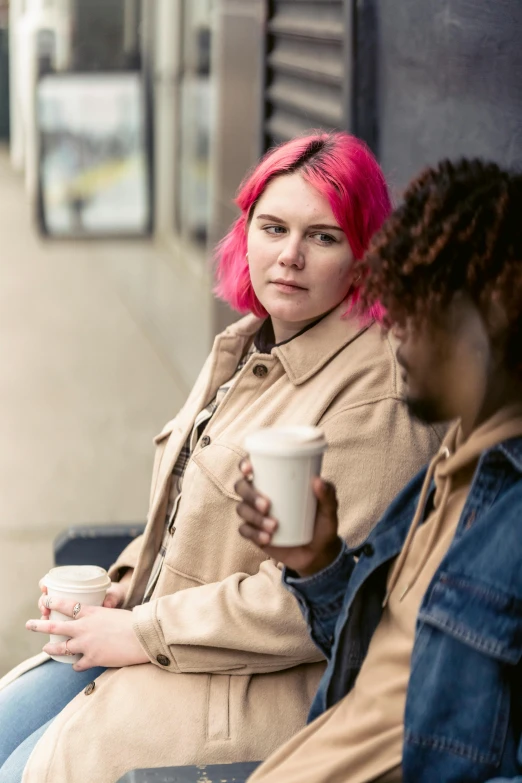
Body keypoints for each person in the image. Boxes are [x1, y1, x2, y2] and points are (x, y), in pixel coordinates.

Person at [0, 132, 442, 783]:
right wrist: (121, 588)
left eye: (323, 236)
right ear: (246, 235)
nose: (289, 255)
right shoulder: (244, 345)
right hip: (159, 640)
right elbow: (185, 512)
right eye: (273, 227)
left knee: (26, 770)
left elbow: (321, 606)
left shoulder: (374, 393)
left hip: (252, 688)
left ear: (366, 255)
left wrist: (141, 632)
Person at [236, 158, 522, 783]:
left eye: (415, 309)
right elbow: (382, 662)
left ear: (494, 309)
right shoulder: (449, 469)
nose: (392, 332)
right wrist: (317, 564)